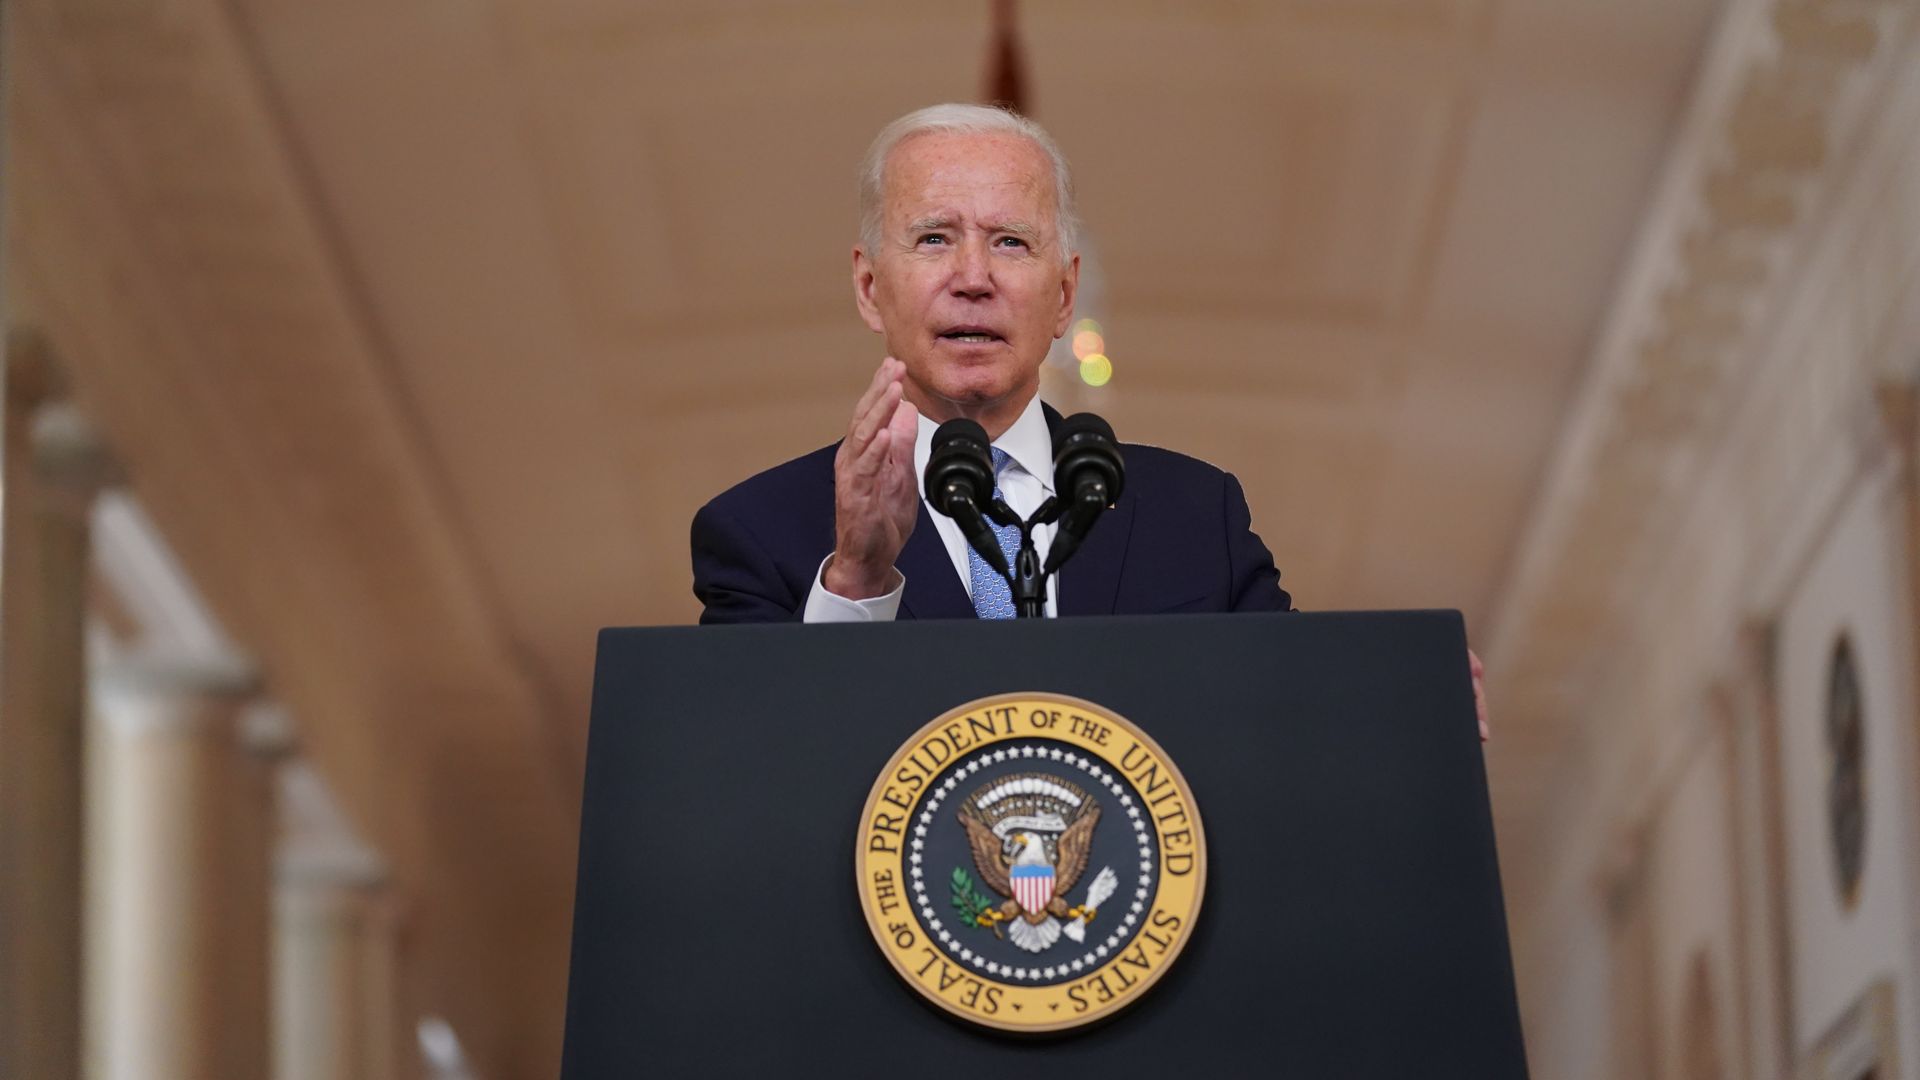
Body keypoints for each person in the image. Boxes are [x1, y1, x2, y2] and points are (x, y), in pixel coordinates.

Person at [689, 104, 1488, 735]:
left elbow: (1294, 710)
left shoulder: (1192, 513)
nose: (974, 278)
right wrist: (858, 581)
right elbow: (739, 777)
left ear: (1065, 295)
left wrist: (1409, 697)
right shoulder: (762, 532)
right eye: (934, 239)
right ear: (869, 287)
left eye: (1010, 242)